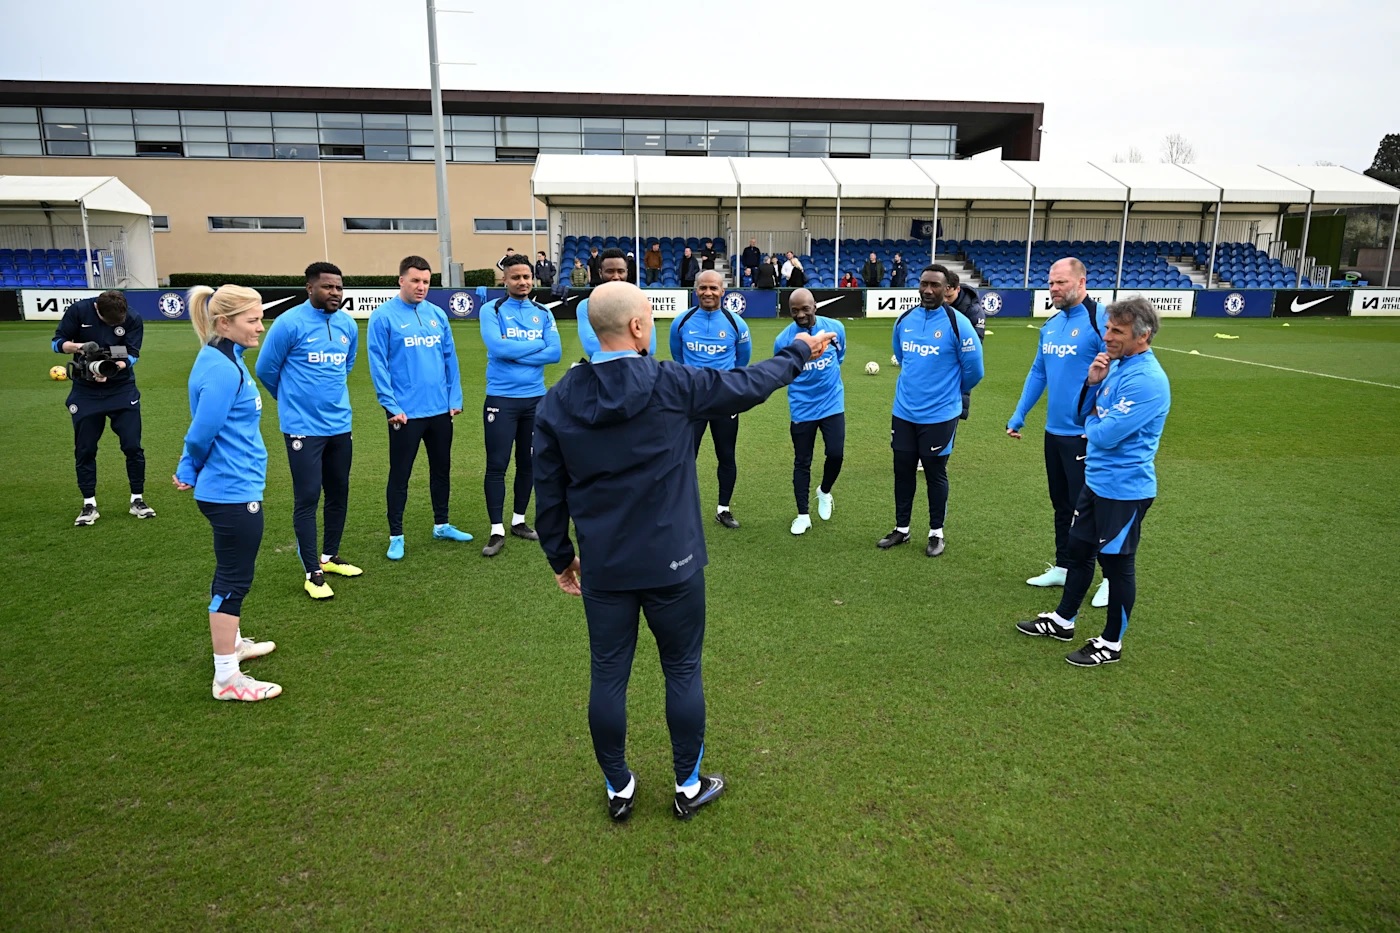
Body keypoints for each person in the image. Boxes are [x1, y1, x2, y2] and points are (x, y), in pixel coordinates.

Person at [532, 280, 833, 822]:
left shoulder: (558, 399)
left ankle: (619, 787)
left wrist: (560, 558)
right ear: (638, 328)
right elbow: (747, 384)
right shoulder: (671, 381)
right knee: (682, 670)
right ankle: (686, 785)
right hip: (674, 562)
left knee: (608, 674)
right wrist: (796, 351)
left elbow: (548, 496)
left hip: (605, 565)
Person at [1014, 296, 1171, 667]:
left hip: (1125, 490)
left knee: (1117, 567)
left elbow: (1101, 435)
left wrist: (1095, 420)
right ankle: (1063, 620)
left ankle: (1111, 643)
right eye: (1107, 328)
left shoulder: (1148, 380)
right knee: (1079, 551)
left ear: (1143, 335)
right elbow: (1080, 412)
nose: (1108, 337)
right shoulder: (1115, 365)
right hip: (1097, 482)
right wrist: (1091, 383)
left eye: (1117, 331)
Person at [173, 284, 279, 702]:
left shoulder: (227, 357)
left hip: (235, 485)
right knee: (233, 581)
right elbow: (202, 431)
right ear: (224, 323)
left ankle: (231, 646)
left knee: (233, 574)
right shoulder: (221, 368)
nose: (260, 327)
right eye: (252, 321)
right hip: (231, 492)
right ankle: (226, 678)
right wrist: (188, 465)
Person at [1007, 257, 1112, 608]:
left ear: (1082, 283)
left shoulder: (1101, 321)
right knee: (1062, 504)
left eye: (1061, 282)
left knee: (1093, 510)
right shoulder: (1050, 327)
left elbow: (1125, 368)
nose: (1054, 288)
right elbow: (1039, 373)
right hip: (1055, 434)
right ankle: (1065, 566)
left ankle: (1111, 577)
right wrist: (1019, 414)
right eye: (1051, 283)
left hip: (1088, 434)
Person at [254, 261, 362, 601]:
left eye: (339, 288)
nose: (335, 293)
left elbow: (347, 366)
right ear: (310, 288)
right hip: (302, 427)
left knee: (339, 491)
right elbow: (266, 370)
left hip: (339, 424)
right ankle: (312, 571)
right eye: (328, 287)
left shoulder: (347, 325)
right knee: (308, 496)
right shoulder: (289, 324)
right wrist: (290, 401)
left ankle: (329, 557)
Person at [368, 256, 472, 560]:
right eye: (415, 280)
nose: (421, 287)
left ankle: (442, 524)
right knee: (400, 474)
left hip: (440, 411)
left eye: (426, 281)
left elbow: (450, 359)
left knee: (442, 470)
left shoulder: (437, 314)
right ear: (401, 280)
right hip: (406, 413)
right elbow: (378, 364)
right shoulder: (383, 317)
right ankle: (396, 535)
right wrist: (390, 406)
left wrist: (455, 399)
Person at [878, 266, 984, 556]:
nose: (927, 290)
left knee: (936, 473)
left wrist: (949, 392)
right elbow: (901, 356)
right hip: (903, 412)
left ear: (947, 288)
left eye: (935, 285)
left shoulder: (958, 323)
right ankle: (902, 529)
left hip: (940, 415)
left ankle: (936, 533)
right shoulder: (905, 320)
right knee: (902, 471)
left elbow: (975, 370)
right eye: (923, 284)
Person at [478, 254, 562, 557]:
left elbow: (555, 353)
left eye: (526, 277)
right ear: (505, 279)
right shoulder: (492, 309)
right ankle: (496, 528)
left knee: (529, 462)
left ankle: (519, 520)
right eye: (516, 277)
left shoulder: (542, 312)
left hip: (535, 399)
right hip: (501, 398)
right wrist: (536, 345)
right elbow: (497, 348)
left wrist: (515, 353)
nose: (522, 282)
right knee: (497, 464)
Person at [52, 290, 152, 526]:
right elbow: (56, 343)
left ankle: (137, 500)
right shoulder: (78, 311)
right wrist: (79, 348)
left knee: (132, 446)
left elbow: (133, 354)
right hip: (85, 391)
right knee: (85, 449)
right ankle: (89, 504)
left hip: (121, 388)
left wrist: (115, 366)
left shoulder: (133, 318)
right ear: (98, 309)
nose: (117, 325)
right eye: (110, 322)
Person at [670, 269, 752, 528]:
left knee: (726, 455)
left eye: (713, 288)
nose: (708, 293)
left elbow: (743, 360)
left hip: (724, 400)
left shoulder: (736, 323)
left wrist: (724, 385)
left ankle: (723, 509)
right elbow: (678, 357)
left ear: (722, 291)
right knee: (685, 457)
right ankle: (681, 510)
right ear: (696, 290)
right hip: (692, 401)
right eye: (703, 288)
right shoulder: (681, 322)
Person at [773, 288, 846, 535]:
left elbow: (840, 356)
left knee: (835, 454)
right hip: (802, 407)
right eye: (795, 310)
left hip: (832, 403)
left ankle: (824, 491)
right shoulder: (784, 340)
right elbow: (782, 370)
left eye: (805, 308)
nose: (800, 314)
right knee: (802, 461)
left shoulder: (835, 328)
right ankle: (802, 515)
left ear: (815, 306)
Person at [578, 248, 656, 358]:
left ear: (627, 272)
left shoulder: (642, 303)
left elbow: (650, 348)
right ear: (600, 273)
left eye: (620, 271)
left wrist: (607, 343)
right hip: (602, 372)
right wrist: (633, 342)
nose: (616, 276)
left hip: (636, 372)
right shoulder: (586, 305)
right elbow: (591, 347)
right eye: (610, 271)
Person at [935, 266, 987, 422]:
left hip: (956, 368)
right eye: (943, 296)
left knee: (951, 415)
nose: (944, 301)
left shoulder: (974, 311)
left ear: (957, 289)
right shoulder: (937, 305)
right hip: (936, 365)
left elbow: (973, 351)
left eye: (949, 297)